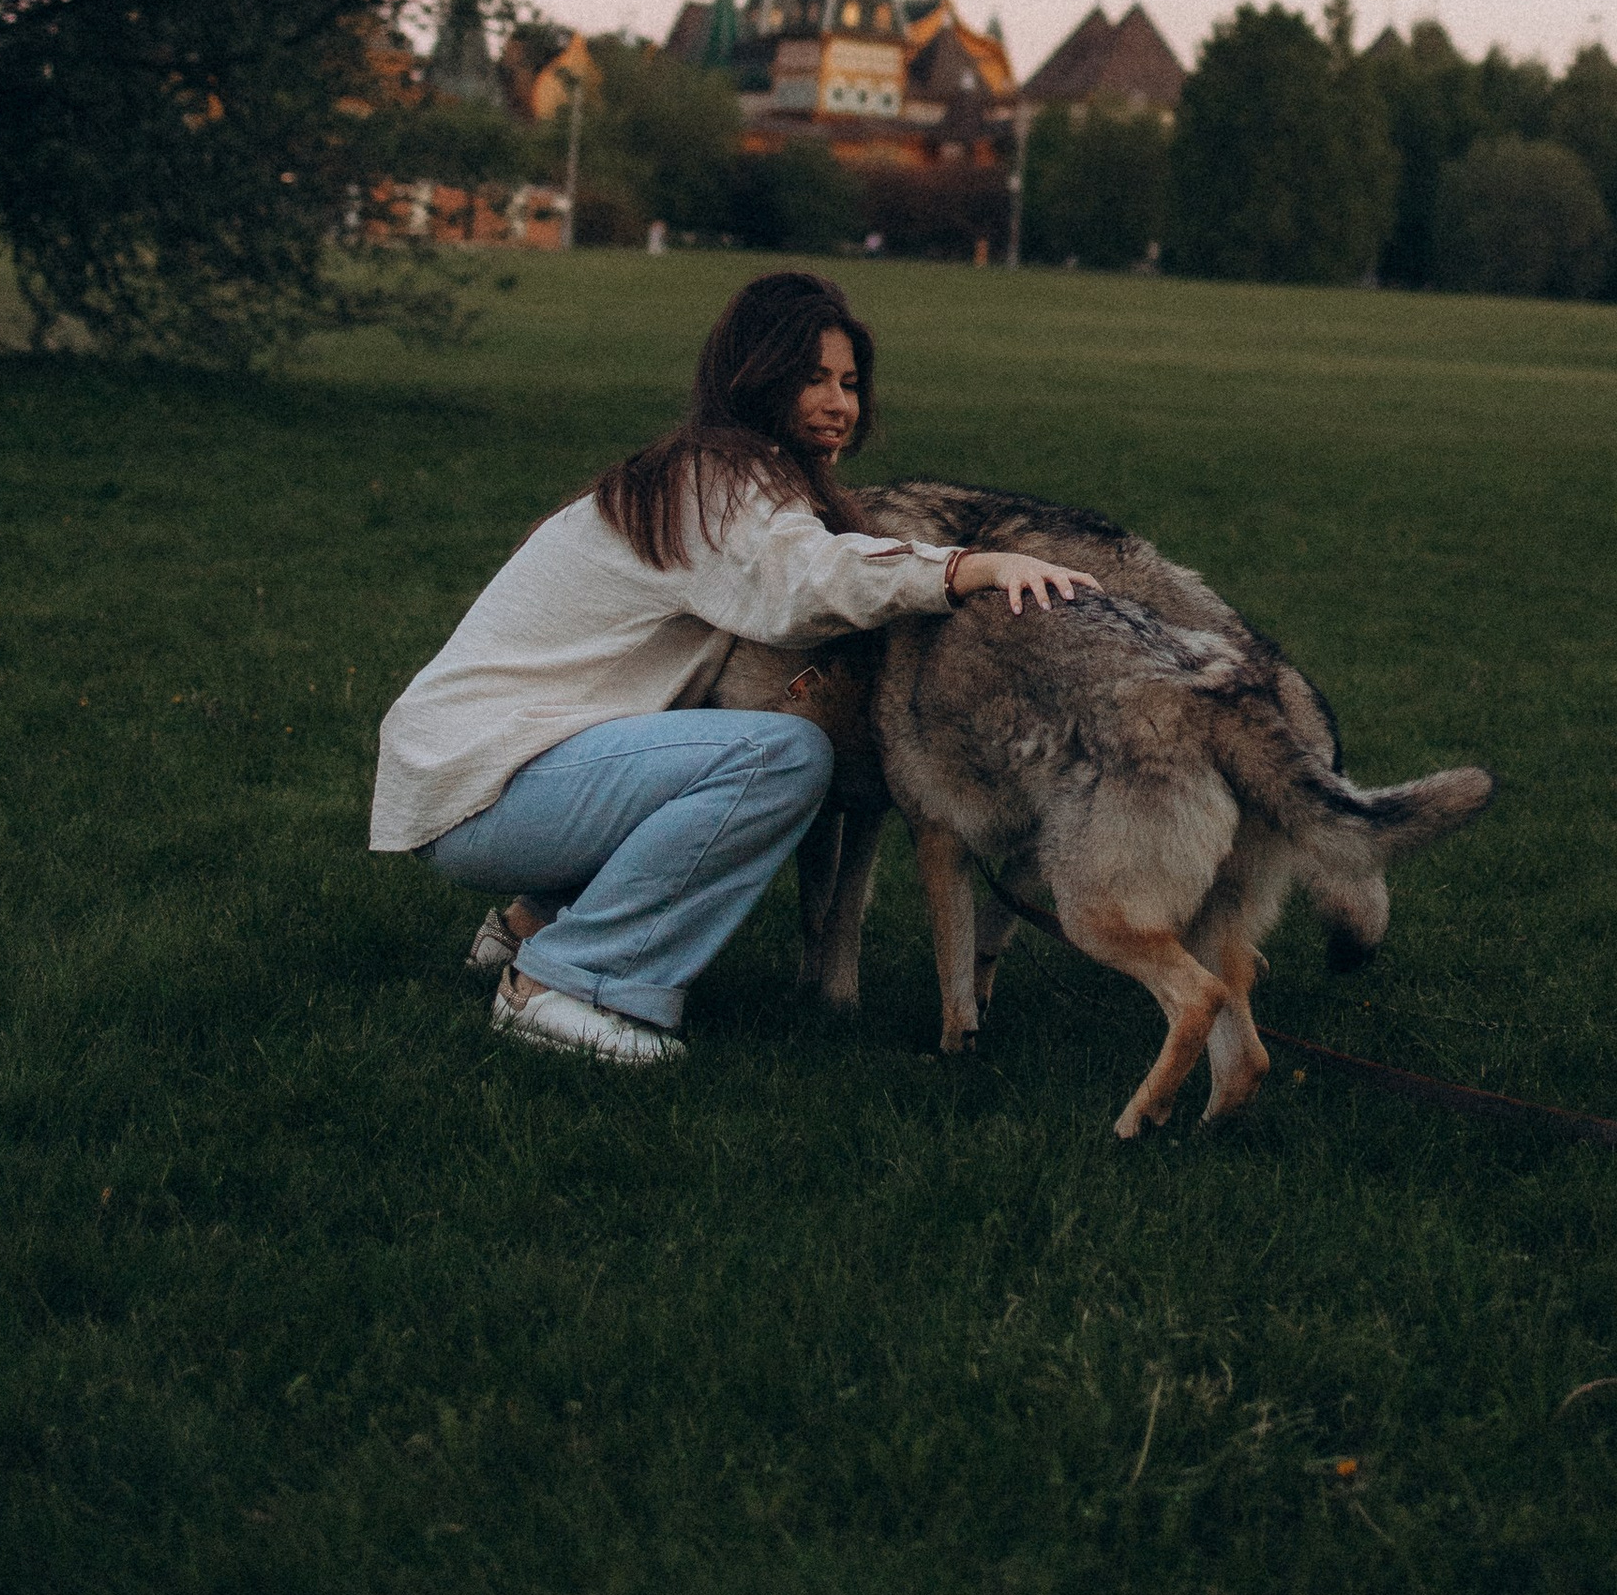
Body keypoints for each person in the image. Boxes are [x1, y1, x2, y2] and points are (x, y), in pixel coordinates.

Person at [368, 269, 1093, 1067]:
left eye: (850, 383)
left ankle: (529, 926)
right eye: (812, 378)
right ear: (754, 376)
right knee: (779, 755)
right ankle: (566, 988)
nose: (839, 403)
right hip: (489, 791)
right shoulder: (715, 484)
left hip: (479, 777)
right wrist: (964, 569)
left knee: (697, 739)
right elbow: (807, 581)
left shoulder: (694, 473)